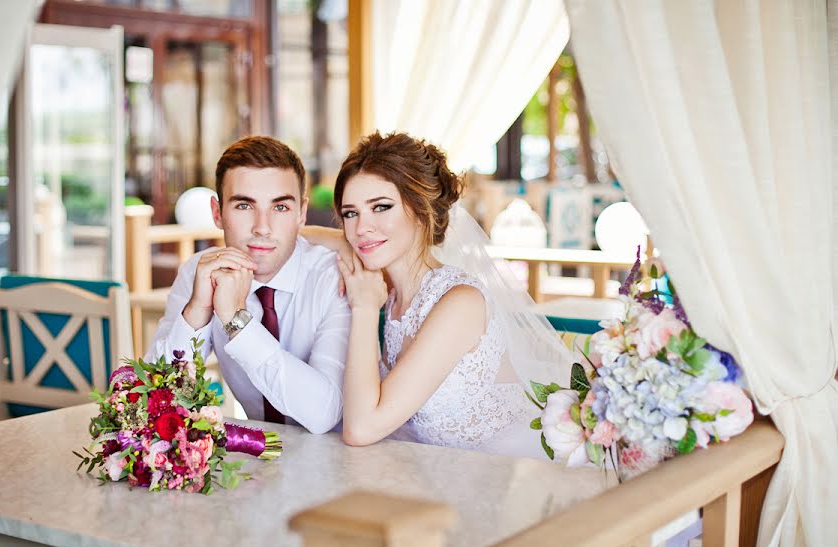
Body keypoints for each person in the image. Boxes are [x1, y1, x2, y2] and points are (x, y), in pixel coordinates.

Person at [305, 132, 573, 457]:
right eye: (351, 213)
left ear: (420, 209)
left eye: (381, 207)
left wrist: (363, 308)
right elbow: (313, 237)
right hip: (441, 473)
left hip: (508, 477)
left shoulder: (460, 303)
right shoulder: (392, 291)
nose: (361, 228)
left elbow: (361, 429)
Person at [145, 136, 351, 435]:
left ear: (301, 213)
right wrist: (198, 311)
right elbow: (155, 403)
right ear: (217, 213)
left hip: (343, 463)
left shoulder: (333, 277)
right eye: (244, 205)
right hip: (258, 464)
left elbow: (323, 414)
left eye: (280, 207)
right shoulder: (198, 273)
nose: (262, 227)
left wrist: (236, 319)